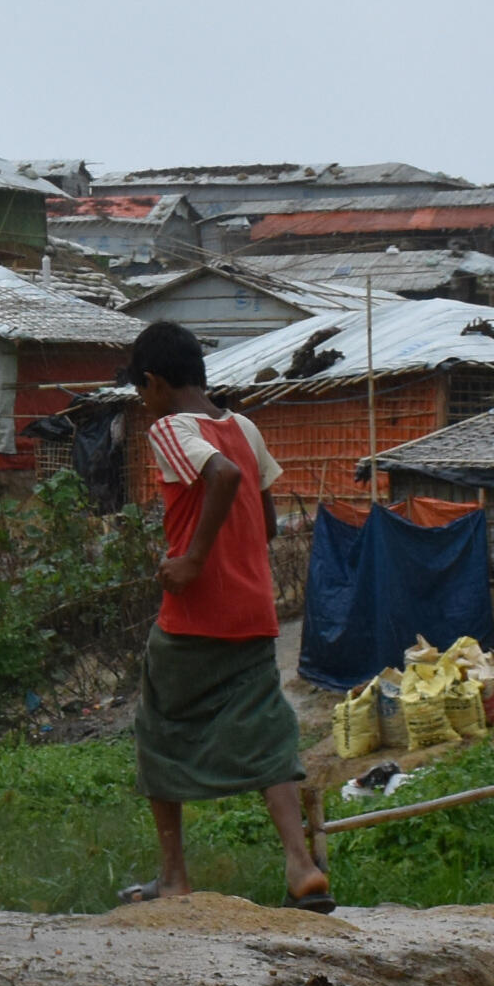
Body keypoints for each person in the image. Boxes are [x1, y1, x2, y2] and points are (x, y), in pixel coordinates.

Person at [115, 321, 332, 911]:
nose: (143, 403)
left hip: (194, 615)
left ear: (155, 383)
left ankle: (174, 877)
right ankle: (300, 864)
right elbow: (262, 522)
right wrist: (228, 551)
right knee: (266, 733)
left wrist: (191, 558)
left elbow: (223, 476)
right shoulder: (245, 426)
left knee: (159, 730)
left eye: (141, 392)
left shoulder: (168, 428)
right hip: (254, 612)